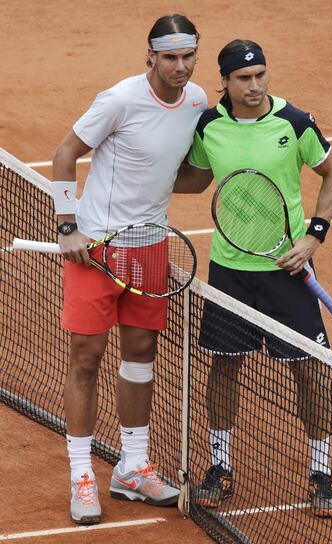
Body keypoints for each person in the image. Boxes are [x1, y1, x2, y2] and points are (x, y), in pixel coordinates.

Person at [174, 39, 332, 517]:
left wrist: (314, 236)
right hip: (231, 271)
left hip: (288, 271)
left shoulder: (294, 123)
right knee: (225, 365)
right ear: (224, 83)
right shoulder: (210, 125)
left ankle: (321, 474)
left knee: (309, 371)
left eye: (260, 76)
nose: (254, 86)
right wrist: (138, 173)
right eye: (243, 79)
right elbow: (196, 179)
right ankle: (220, 466)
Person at [52, 13, 207, 525]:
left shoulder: (199, 102)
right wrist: (67, 226)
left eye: (188, 56)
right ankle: (82, 474)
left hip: (150, 248)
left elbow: (182, 179)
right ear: (151, 56)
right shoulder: (119, 99)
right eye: (170, 57)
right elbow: (65, 154)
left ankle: (133, 467)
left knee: (141, 354)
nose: (180, 67)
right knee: (86, 358)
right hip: (96, 248)